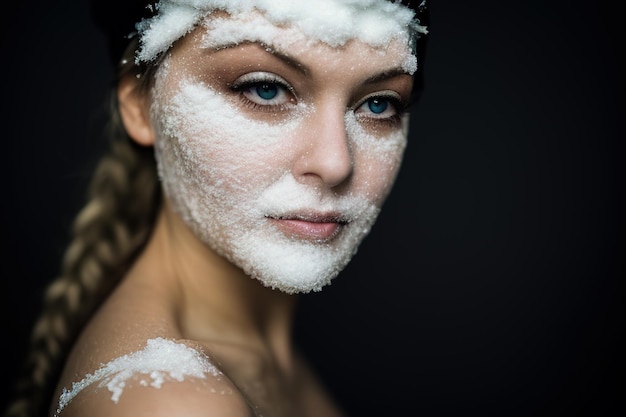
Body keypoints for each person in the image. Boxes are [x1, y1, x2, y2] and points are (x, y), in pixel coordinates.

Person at [4, 1, 428, 416]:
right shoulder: (164, 400)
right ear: (139, 103)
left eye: (379, 103)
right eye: (266, 88)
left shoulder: (259, 356)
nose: (336, 164)